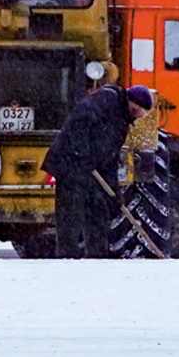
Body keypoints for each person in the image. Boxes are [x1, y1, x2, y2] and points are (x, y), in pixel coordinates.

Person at [43, 84, 154, 258]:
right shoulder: (108, 98)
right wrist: (82, 152)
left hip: (89, 169)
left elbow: (110, 160)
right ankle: (66, 259)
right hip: (69, 164)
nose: (140, 116)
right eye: (141, 111)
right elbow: (79, 121)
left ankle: (98, 257)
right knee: (70, 216)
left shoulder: (122, 124)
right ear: (134, 103)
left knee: (98, 212)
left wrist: (114, 192)